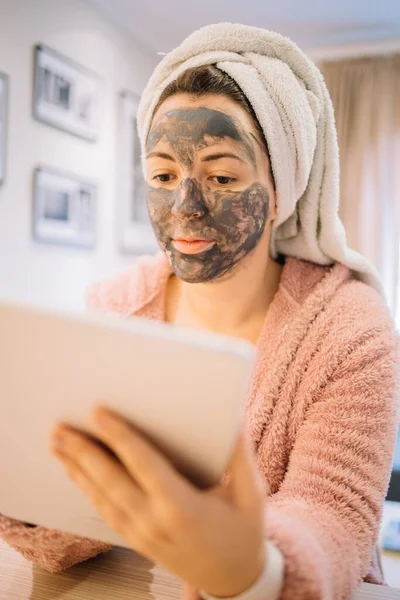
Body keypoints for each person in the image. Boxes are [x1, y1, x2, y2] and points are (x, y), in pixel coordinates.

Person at [1, 23, 399, 600]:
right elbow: (69, 526)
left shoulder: (349, 329)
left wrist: (251, 567)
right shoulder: (115, 308)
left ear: (280, 195)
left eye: (221, 176)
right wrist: (26, 484)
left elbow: (334, 513)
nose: (184, 208)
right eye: (163, 175)